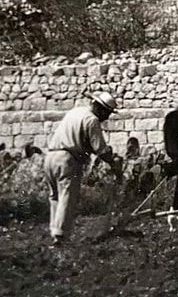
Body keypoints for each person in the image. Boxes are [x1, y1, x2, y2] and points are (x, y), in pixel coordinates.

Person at [44, 90, 123, 246]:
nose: (106, 118)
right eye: (106, 113)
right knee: (67, 197)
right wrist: (114, 164)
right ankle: (60, 238)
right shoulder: (91, 120)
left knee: (55, 197)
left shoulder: (75, 112)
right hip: (67, 159)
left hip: (51, 157)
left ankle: (55, 232)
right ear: (100, 108)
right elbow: (100, 148)